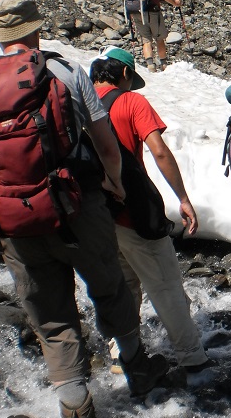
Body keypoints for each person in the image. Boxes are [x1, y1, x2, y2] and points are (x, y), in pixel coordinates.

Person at [0, 0, 168, 418]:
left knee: (49, 308)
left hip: (14, 215)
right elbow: (103, 141)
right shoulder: (62, 69)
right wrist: (115, 182)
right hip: (76, 203)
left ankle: (76, 406)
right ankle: (138, 368)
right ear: (34, 28)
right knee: (109, 285)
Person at [89, 47, 212, 375]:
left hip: (95, 214)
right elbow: (158, 151)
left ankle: (122, 352)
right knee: (165, 285)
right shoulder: (131, 102)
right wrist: (183, 198)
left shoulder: (77, 103)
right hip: (132, 211)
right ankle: (193, 360)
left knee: (124, 284)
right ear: (125, 75)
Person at [131, 0, 182, 72]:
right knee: (159, 38)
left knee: (146, 39)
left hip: (136, 11)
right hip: (152, 11)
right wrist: (174, 3)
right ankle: (163, 65)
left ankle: (150, 66)